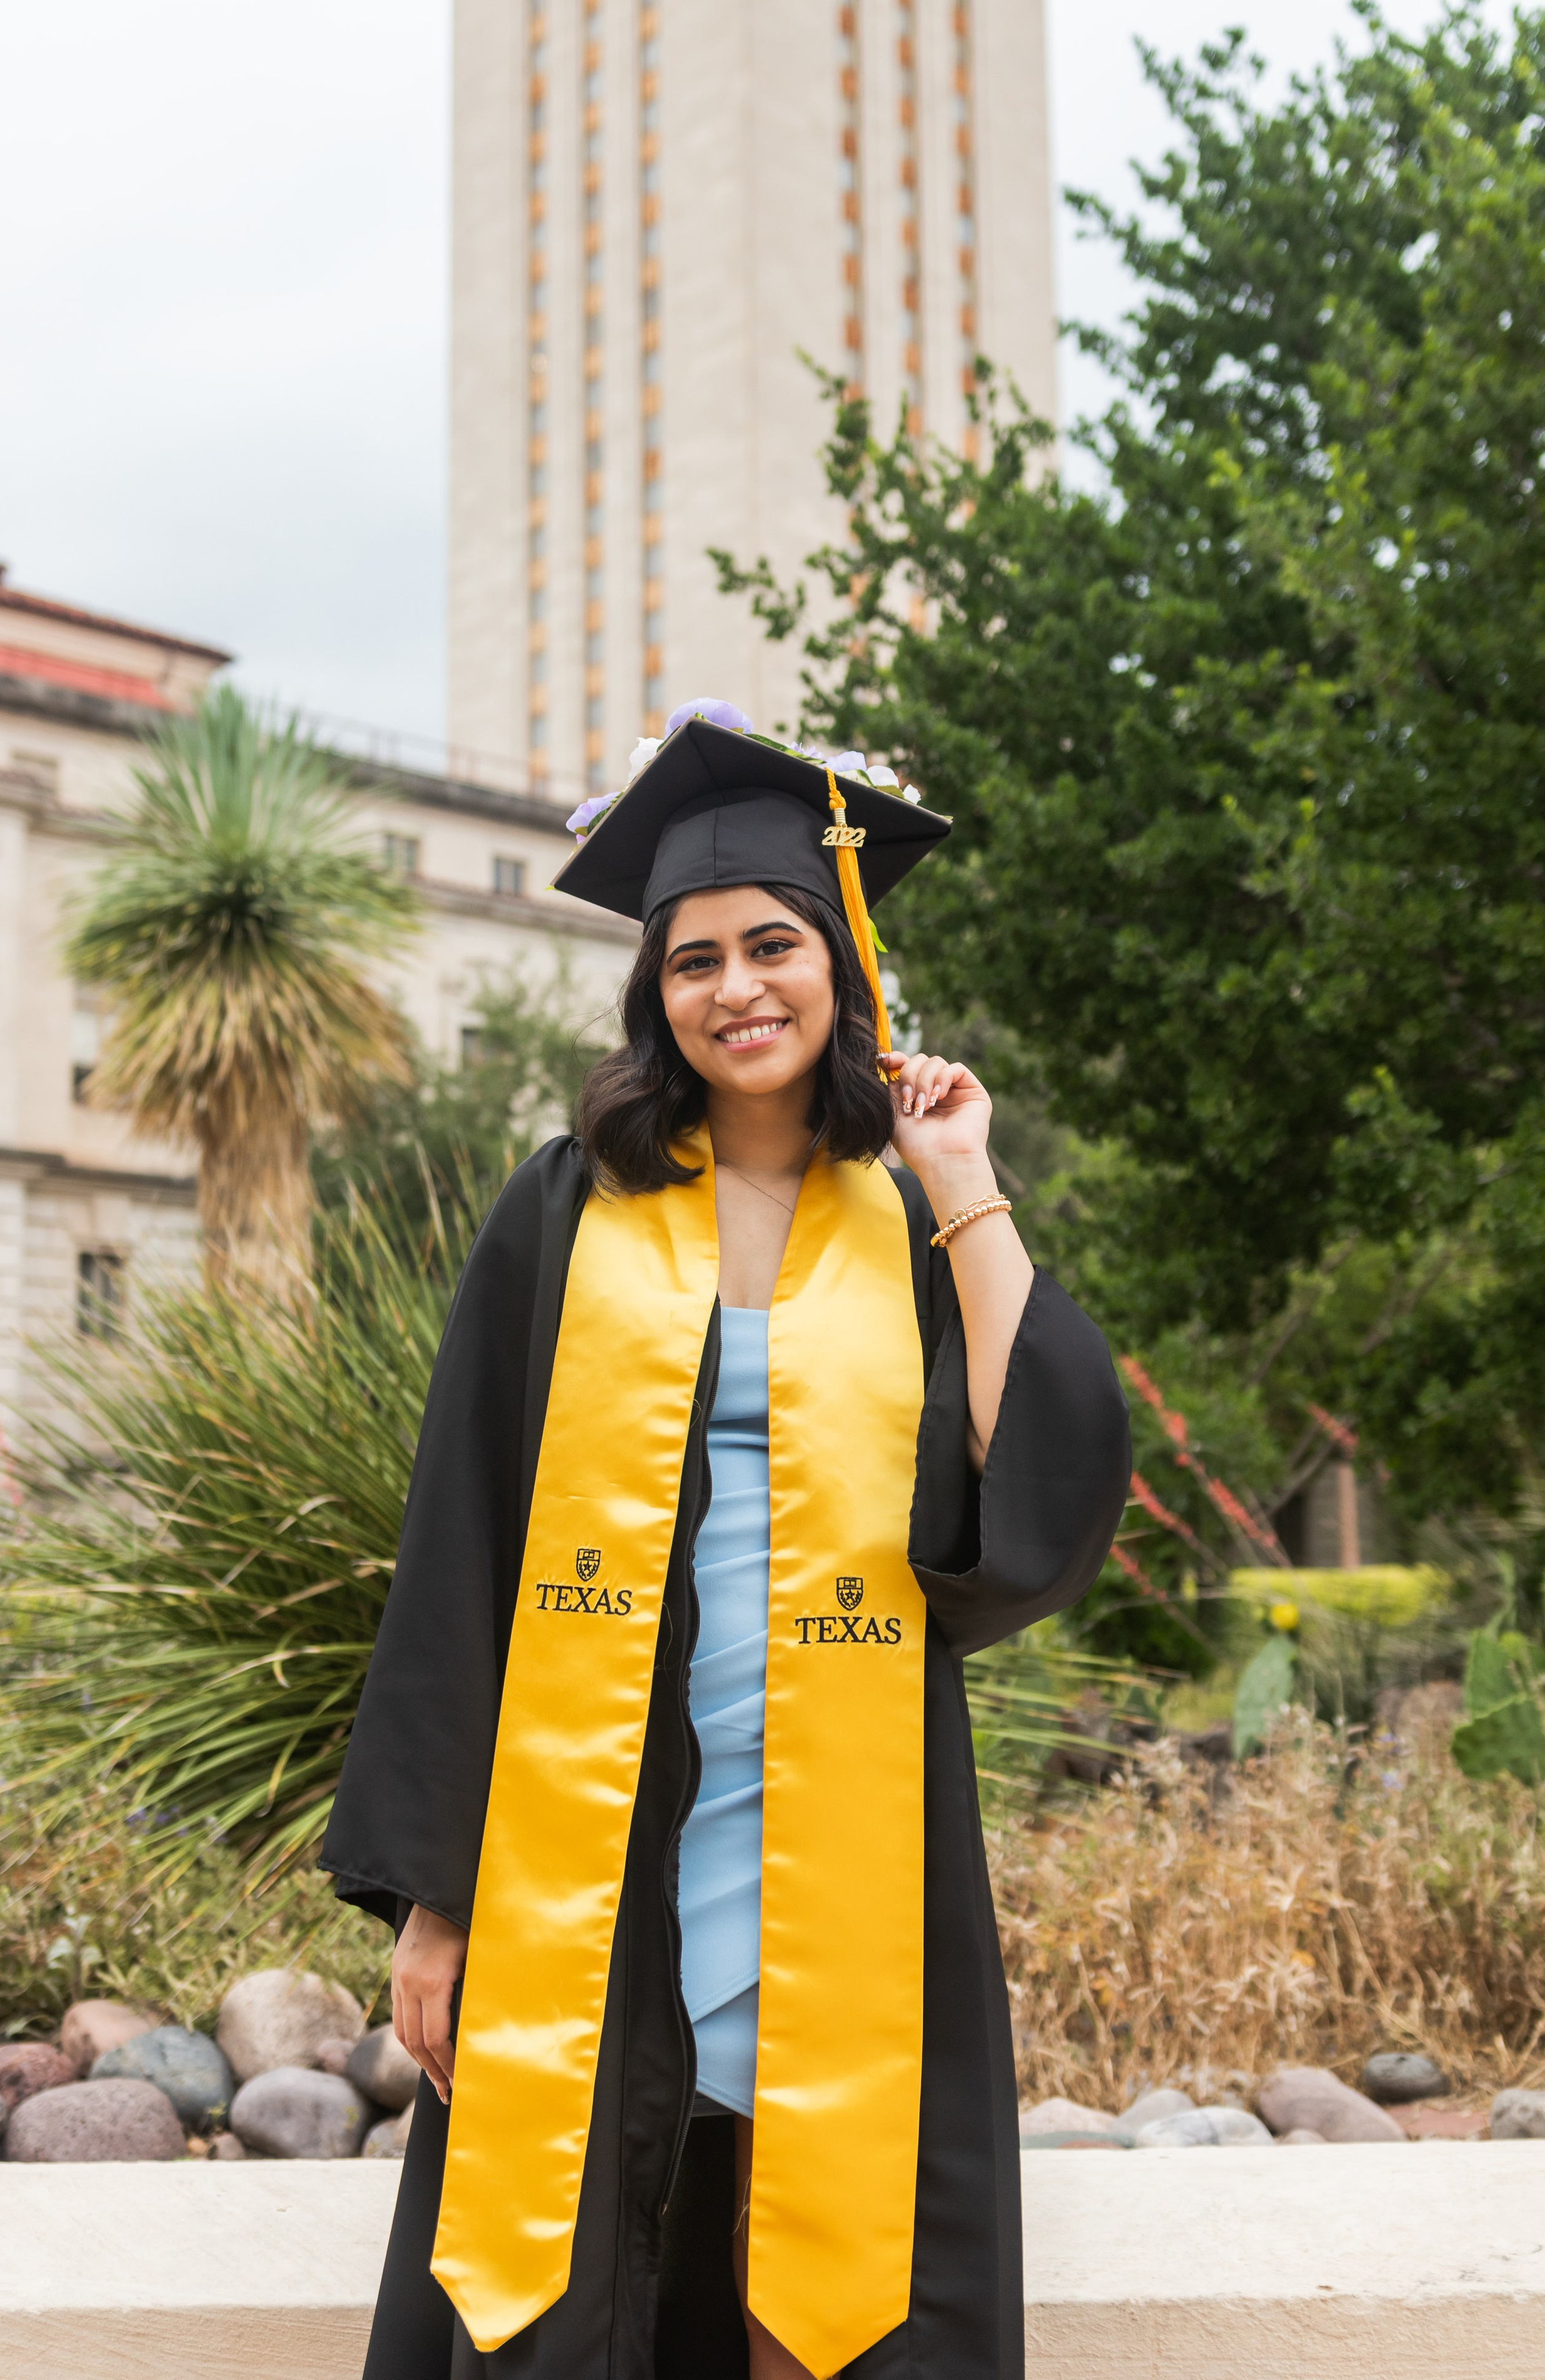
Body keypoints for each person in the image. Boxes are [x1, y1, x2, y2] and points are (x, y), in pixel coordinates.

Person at [322, 707, 1131, 2380]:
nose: (737, 988)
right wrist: (435, 1904)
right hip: (603, 1817)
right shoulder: (568, 1208)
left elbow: (1034, 1474)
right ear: (656, 994)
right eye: (694, 960)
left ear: (839, 967)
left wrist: (963, 1178)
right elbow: (461, 1545)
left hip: (840, 1804)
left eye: (774, 945)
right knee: (582, 2237)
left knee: (822, 2255)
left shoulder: (906, 1209)